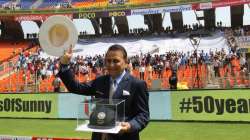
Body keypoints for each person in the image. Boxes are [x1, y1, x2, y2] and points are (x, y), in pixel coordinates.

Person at [58, 44, 149, 140]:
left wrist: (130, 125)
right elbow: (75, 87)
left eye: (116, 61)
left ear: (126, 62)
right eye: (108, 61)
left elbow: (143, 115)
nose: (111, 64)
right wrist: (64, 65)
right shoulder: (99, 81)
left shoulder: (137, 84)